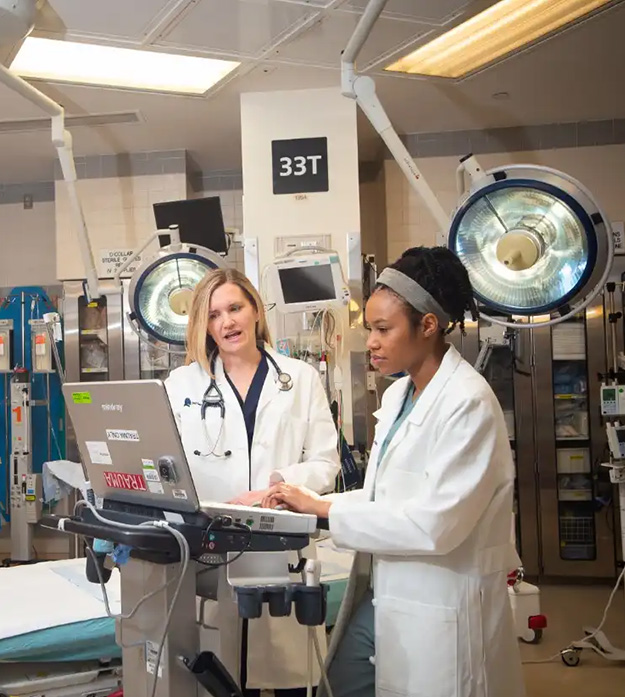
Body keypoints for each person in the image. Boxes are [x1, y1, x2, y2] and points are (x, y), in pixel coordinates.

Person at [262, 247, 525, 697]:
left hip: (443, 599)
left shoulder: (467, 403)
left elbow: (435, 525)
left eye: (384, 329)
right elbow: (381, 494)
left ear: (427, 326)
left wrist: (325, 509)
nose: (372, 342)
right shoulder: (399, 396)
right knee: (339, 683)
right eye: (370, 329)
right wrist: (303, 501)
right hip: (387, 592)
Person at [165, 267, 341, 697]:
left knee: (288, 676)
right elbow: (167, 463)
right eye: (213, 315)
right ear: (202, 326)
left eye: (235, 308)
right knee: (221, 674)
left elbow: (325, 462)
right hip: (210, 546)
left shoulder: (299, 378)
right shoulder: (182, 383)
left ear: (256, 310)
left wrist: (277, 487)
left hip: (279, 543)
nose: (226, 322)